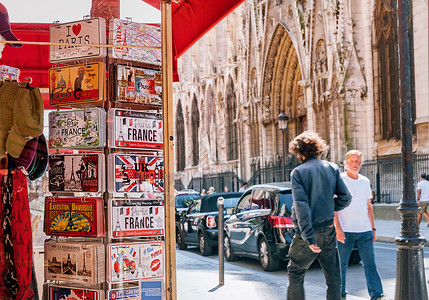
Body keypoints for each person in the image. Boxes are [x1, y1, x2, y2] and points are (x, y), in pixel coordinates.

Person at [287, 131, 351, 300]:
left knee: (296, 272)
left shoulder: (298, 173)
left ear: (299, 152)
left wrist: (309, 237)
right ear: (318, 149)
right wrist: (329, 207)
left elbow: (302, 206)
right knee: (333, 278)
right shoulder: (332, 168)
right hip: (328, 229)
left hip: (308, 232)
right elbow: (346, 198)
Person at [333, 150, 385, 300]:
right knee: (341, 265)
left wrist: (373, 228)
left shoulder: (365, 181)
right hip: (345, 231)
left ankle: (377, 294)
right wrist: (338, 229)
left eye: (358, 161)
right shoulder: (339, 180)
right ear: (345, 163)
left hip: (364, 231)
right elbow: (333, 206)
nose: (355, 164)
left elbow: (369, 206)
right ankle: (340, 294)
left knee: (370, 264)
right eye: (352, 161)